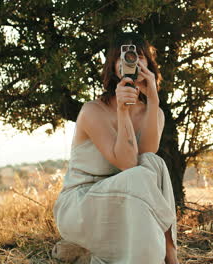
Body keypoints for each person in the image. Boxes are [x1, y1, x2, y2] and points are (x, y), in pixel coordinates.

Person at [53, 32, 179, 264]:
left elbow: (146, 159)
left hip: (128, 201)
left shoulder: (155, 112)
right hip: (83, 202)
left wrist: (153, 100)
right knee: (140, 173)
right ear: (114, 67)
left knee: (155, 163)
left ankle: (169, 252)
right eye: (123, 57)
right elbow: (128, 164)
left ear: (149, 66)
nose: (131, 61)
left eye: (138, 56)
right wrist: (122, 110)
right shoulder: (93, 110)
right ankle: (166, 253)